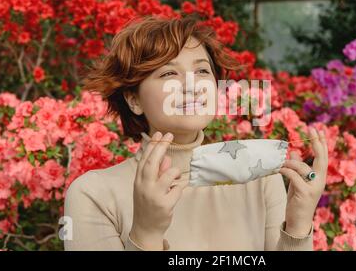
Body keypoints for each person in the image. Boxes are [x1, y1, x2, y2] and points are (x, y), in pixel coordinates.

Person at [63, 14, 328, 251]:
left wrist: (297, 226)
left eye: (201, 70)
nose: (191, 86)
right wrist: (146, 232)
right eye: (168, 73)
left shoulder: (259, 178)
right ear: (134, 100)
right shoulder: (93, 194)